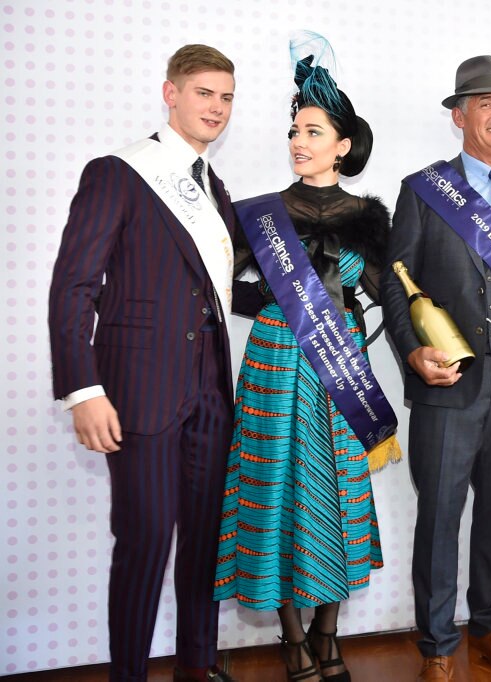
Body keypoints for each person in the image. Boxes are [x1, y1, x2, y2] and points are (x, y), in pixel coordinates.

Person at [47, 45, 238, 682]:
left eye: (226, 97)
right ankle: (127, 673)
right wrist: (83, 389)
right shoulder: (118, 172)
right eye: (204, 93)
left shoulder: (218, 191)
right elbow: (74, 285)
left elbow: (235, 289)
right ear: (171, 93)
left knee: (207, 543)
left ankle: (198, 665)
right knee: (146, 541)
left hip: (211, 394)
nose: (216, 107)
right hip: (139, 393)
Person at [214, 33, 396, 682]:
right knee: (275, 492)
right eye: (294, 130)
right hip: (273, 365)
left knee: (340, 497)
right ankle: (292, 640)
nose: (298, 140)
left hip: (339, 375)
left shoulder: (370, 217)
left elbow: (390, 302)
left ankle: (328, 631)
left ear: (343, 144)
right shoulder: (258, 215)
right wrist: (276, 294)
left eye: (312, 131)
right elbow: (226, 291)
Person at [381, 55, 491, 682]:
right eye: (485, 103)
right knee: (441, 517)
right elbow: (396, 286)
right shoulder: (425, 188)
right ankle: (436, 646)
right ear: (459, 116)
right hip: (449, 382)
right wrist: (411, 352)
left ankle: (490, 631)